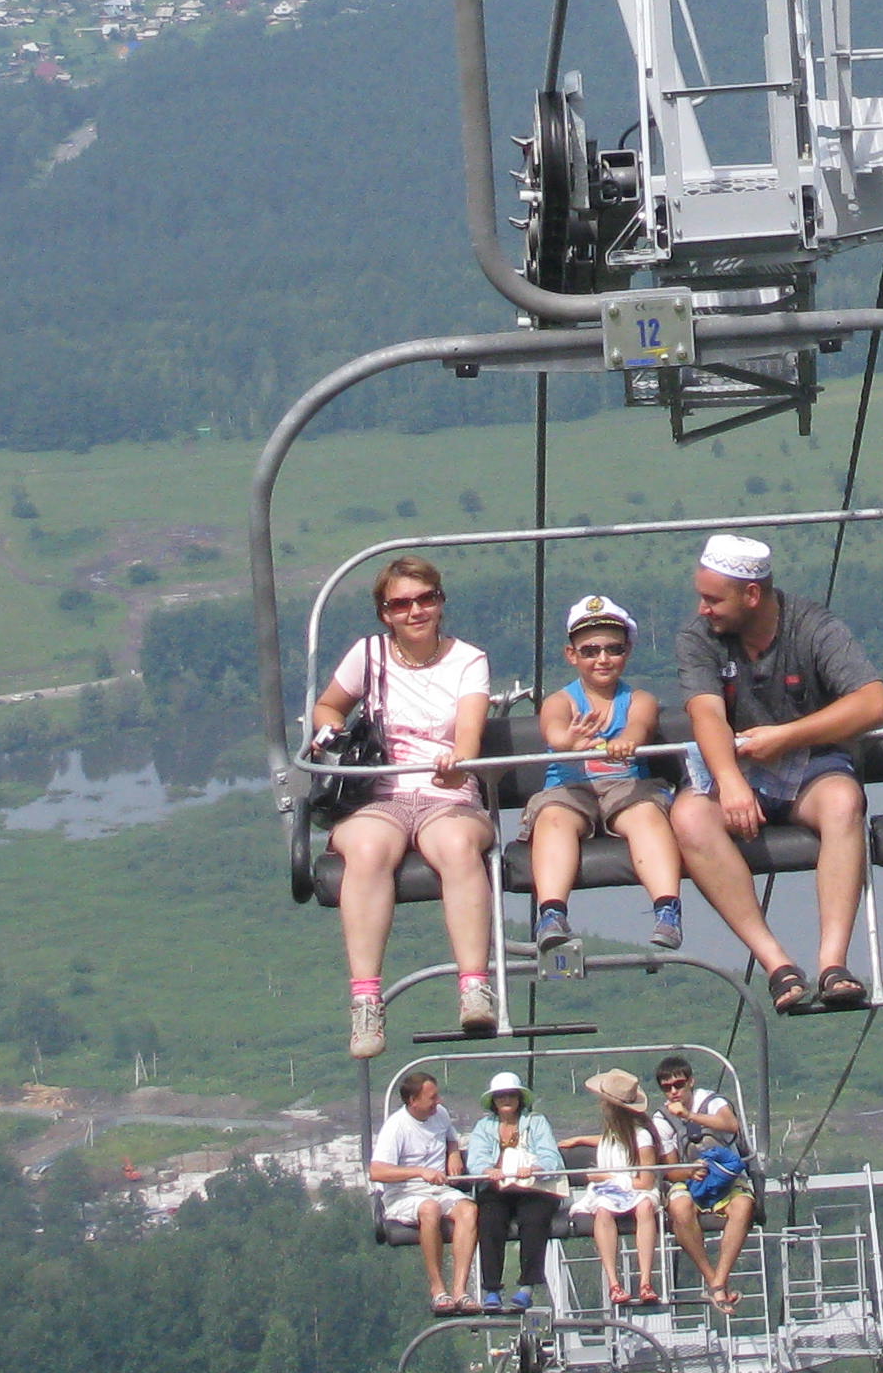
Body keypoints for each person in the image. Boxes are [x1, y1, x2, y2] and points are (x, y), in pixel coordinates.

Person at [670, 534, 883, 1015]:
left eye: (713, 599)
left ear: (751, 594)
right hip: (737, 764)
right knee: (689, 819)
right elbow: (706, 713)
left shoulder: (813, 627)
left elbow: (874, 703)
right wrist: (729, 780)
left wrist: (787, 736)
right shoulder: (698, 637)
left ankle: (834, 964)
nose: (703, 609)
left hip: (809, 763)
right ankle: (776, 963)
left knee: (844, 803)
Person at [311, 554, 497, 1058]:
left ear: (440, 602)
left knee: (459, 845)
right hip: (380, 792)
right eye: (402, 604)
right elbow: (328, 705)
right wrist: (329, 732)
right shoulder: (368, 655)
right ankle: (367, 1001)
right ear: (385, 613)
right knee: (368, 850)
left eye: (426, 599)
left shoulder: (468, 660)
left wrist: (458, 763)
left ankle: (474, 985)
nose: (415, 611)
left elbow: (470, 734)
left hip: (446, 793)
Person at [525, 595, 685, 954]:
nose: (602, 659)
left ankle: (667, 908)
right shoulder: (561, 701)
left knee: (645, 814)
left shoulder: (638, 699)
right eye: (590, 650)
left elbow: (639, 726)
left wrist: (626, 741)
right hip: (570, 786)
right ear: (572, 655)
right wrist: (569, 741)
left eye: (612, 649)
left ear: (626, 652)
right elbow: (553, 731)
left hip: (624, 784)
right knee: (553, 819)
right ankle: (551, 912)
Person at [652, 1051, 756, 1312]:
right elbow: (669, 1168)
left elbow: (730, 1125)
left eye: (678, 1085)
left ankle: (720, 1279)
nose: (674, 1092)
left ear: (691, 1082)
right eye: (667, 1088)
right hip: (691, 1181)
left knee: (743, 1206)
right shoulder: (662, 1119)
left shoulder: (711, 1101)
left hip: (725, 1176)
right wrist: (688, 1172)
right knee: (679, 1208)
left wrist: (689, 1116)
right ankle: (713, 1280)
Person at [370, 1067, 481, 1313]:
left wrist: (453, 1154)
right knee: (429, 1209)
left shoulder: (439, 1114)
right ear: (413, 1101)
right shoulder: (397, 1127)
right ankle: (437, 1288)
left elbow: (451, 1138)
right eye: (432, 1098)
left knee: (469, 1210)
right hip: (406, 1193)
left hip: (439, 1188)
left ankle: (460, 1289)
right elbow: (377, 1171)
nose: (437, 1102)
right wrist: (420, 1172)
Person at [567, 1067, 674, 1312]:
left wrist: (609, 1176)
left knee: (645, 1207)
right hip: (611, 1191)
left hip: (634, 1188)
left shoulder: (642, 1138)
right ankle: (614, 1283)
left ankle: (645, 1280)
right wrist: (581, 1140)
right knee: (603, 1210)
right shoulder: (615, 1133)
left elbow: (645, 1181)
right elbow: (611, 1140)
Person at [472, 1070, 567, 1312]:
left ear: (519, 1098)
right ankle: (492, 1288)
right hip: (499, 1188)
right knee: (490, 1218)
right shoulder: (484, 1127)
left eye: (510, 1095)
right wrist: (488, 1170)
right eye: (500, 1096)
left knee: (534, 1218)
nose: (506, 1100)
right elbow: (475, 1160)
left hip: (533, 1187)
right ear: (493, 1101)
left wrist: (536, 1167)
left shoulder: (536, 1122)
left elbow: (550, 1156)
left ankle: (528, 1286)